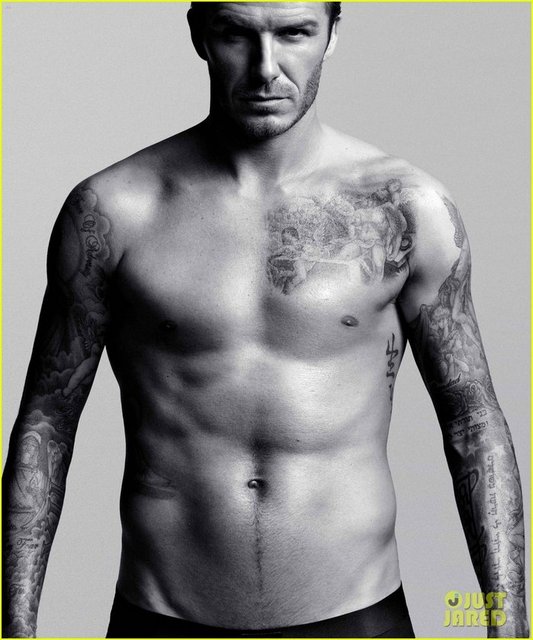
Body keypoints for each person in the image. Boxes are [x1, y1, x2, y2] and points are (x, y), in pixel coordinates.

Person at [2, 2, 528, 637]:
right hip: (162, 614)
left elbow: (473, 422)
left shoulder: (405, 210)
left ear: (332, 34)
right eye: (236, 34)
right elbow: (48, 422)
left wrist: (508, 623)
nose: (265, 68)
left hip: (357, 615)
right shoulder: (113, 212)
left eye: (294, 33)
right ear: (199, 34)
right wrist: (15, 628)